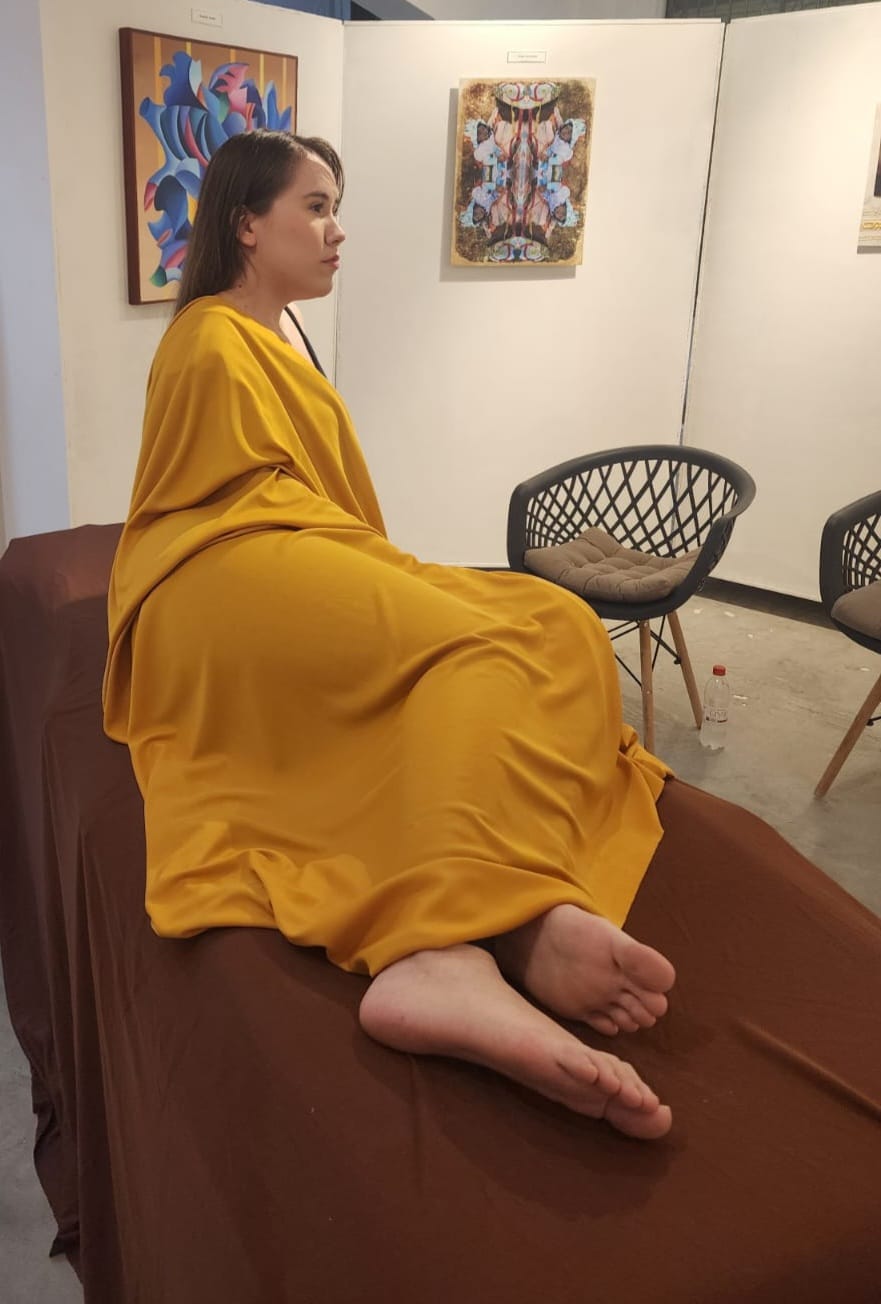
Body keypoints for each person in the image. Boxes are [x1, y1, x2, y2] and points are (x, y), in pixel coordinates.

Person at [104, 129, 677, 1141]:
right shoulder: (208, 337)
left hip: (288, 547)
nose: (337, 232)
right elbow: (215, 496)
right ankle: (438, 951)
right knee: (478, 646)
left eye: (336, 208)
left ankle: (516, 920)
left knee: (553, 619)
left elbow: (313, 497)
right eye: (316, 207)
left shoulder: (281, 332)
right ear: (247, 224)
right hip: (215, 577)